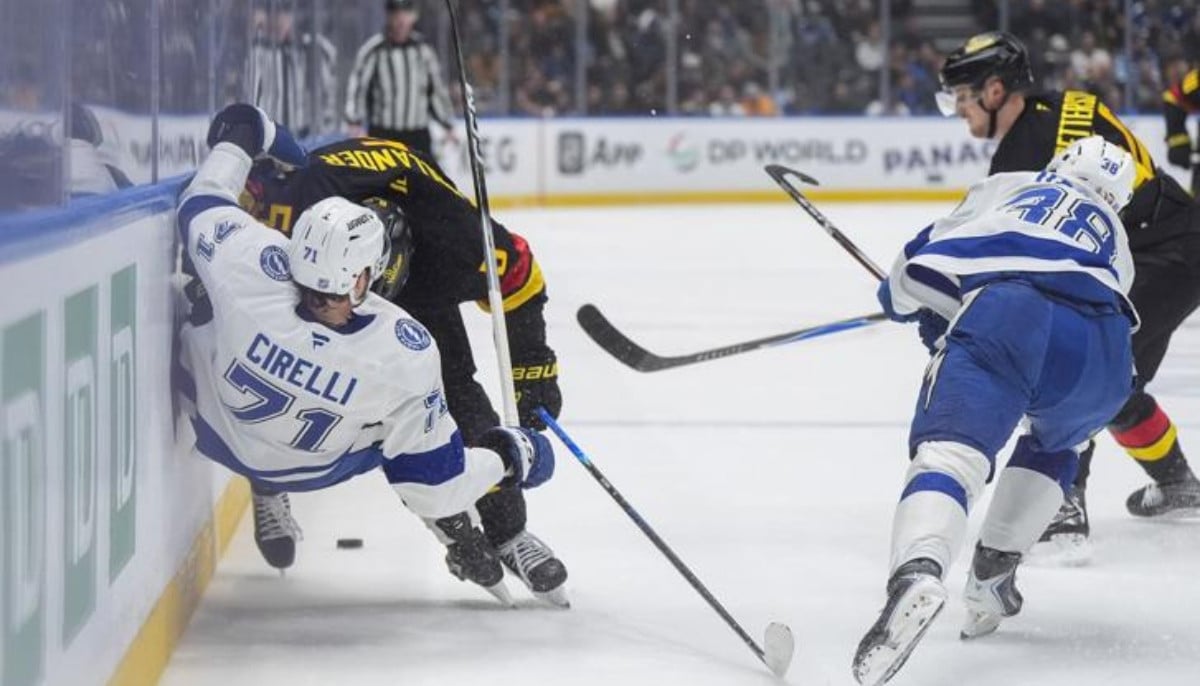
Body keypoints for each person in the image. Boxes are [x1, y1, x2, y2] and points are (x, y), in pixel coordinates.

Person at [175, 103, 562, 607]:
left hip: (223, 416)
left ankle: (507, 531)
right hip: (315, 438)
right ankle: (464, 523)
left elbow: (207, 200)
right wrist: (514, 454)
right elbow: (430, 474)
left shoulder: (457, 247)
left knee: (454, 395)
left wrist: (532, 371)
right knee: (410, 419)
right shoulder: (399, 343)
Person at [852, 136, 1139, 686]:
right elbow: (1075, 289)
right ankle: (992, 577)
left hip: (1012, 316)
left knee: (951, 457)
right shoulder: (1116, 236)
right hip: (1107, 354)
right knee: (1059, 445)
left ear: (1058, 165)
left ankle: (919, 571)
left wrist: (901, 303)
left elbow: (919, 264)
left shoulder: (1014, 183)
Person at [935, 32, 1200, 550]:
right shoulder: (1062, 106)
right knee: (1117, 382)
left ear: (993, 91)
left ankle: (1063, 503)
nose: (959, 113)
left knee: (1080, 372)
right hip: (1174, 240)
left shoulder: (1020, 158)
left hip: (1160, 254)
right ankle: (1176, 483)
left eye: (961, 99)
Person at [344, 0, 455, 156]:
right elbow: (358, 86)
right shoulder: (374, 50)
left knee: (420, 179)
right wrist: (354, 121)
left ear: (414, 17)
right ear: (388, 16)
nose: (401, 20)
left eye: (405, 15)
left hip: (418, 134)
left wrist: (447, 123)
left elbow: (435, 89)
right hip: (383, 134)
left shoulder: (423, 50)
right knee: (384, 180)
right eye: (396, 15)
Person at [1162, 65, 1200, 194]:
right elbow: (1185, 91)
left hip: (1185, 106)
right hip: (1175, 105)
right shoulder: (1195, 78)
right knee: (1180, 153)